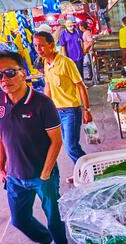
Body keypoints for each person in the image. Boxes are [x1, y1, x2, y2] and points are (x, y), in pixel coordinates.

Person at [0, 51, 72, 244]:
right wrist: (1, 165)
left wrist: (46, 173)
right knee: (19, 219)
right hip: (14, 176)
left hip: (42, 175)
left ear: (24, 73)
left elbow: (56, 141)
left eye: (10, 73)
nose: (4, 80)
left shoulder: (42, 104)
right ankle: (43, 238)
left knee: (53, 216)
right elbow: (1, 134)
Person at [33, 31, 92, 184]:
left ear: (51, 45)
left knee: (70, 146)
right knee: (70, 146)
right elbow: (48, 86)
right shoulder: (46, 64)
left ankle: (89, 171)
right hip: (56, 111)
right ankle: (83, 171)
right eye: (35, 46)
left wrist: (86, 109)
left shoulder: (66, 62)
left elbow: (81, 86)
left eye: (41, 45)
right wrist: (44, 108)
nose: (38, 49)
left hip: (71, 111)